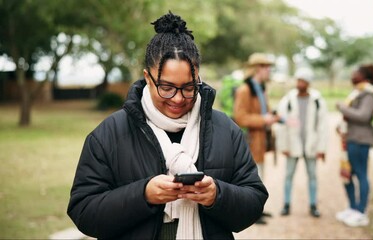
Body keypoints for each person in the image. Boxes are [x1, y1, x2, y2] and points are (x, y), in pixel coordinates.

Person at [67, 11, 268, 239]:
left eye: (189, 87)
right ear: (147, 78)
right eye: (166, 87)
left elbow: (254, 201)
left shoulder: (226, 130)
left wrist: (217, 195)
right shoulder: (109, 134)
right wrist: (143, 195)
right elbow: (83, 211)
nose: (178, 98)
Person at [232, 52, 280, 224]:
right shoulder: (245, 90)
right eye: (267, 67)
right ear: (258, 68)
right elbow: (239, 116)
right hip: (250, 141)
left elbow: (264, 111)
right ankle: (252, 213)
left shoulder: (261, 88)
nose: (269, 71)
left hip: (261, 141)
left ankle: (258, 209)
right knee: (252, 178)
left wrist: (273, 116)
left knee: (261, 176)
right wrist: (263, 120)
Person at [274, 68, 329, 218]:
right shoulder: (288, 100)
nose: (299, 83)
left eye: (302, 81)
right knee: (288, 176)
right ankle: (286, 204)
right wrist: (283, 146)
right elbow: (281, 125)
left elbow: (323, 126)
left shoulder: (318, 100)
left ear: (308, 83)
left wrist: (322, 148)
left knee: (312, 176)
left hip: (311, 145)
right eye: (298, 80)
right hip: (292, 145)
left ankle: (313, 205)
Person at [335, 64, 373, 227]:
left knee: (361, 174)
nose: (353, 75)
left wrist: (342, 108)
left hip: (361, 139)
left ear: (365, 77)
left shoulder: (370, 94)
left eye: (357, 73)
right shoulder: (359, 92)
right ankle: (352, 208)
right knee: (347, 174)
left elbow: (363, 116)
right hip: (351, 139)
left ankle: (361, 212)